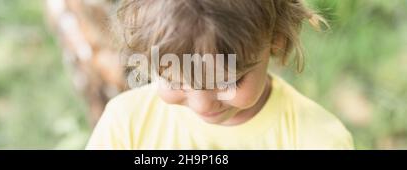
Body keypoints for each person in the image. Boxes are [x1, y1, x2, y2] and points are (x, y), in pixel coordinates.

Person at [87, 0, 354, 149]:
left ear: (276, 40)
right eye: (174, 79)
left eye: (227, 81)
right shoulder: (126, 124)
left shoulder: (317, 139)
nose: (202, 103)